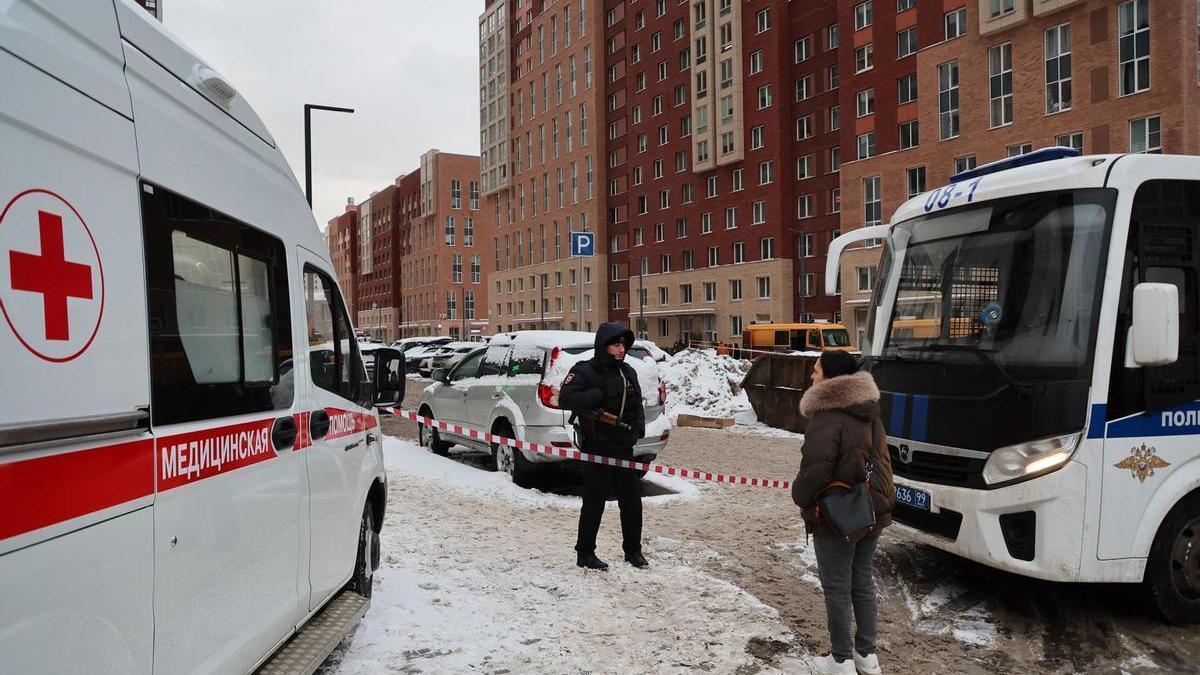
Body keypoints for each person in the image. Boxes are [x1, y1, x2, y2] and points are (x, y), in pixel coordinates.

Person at [791, 351, 894, 675]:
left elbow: (816, 470)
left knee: (837, 587)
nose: (812, 376)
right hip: (872, 509)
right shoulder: (869, 412)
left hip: (838, 512)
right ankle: (866, 656)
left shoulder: (827, 417)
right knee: (861, 582)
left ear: (831, 378)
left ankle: (840, 661)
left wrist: (799, 495)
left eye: (816, 370)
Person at [559, 322, 648, 570]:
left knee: (631, 502)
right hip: (597, 447)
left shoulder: (628, 372)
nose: (621, 350)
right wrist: (594, 396)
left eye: (623, 345)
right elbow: (565, 398)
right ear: (604, 346)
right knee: (594, 502)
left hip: (623, 448)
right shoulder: (586, 370)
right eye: (616, 345)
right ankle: (585, 553)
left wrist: (637, 430)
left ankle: (633, 551)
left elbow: (636, 404)